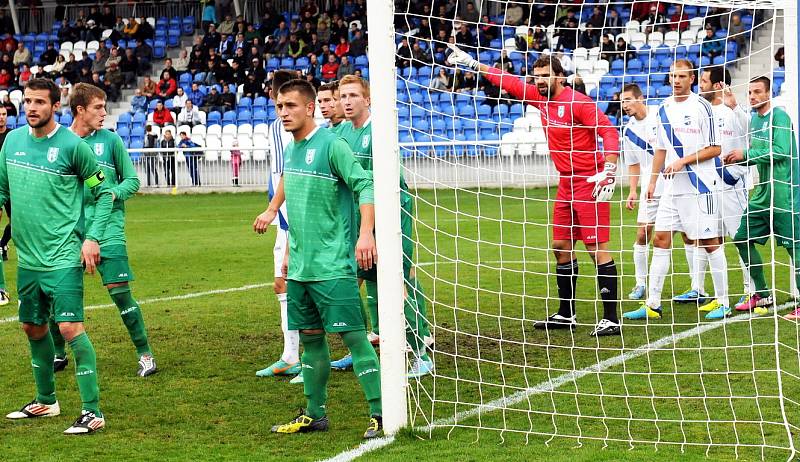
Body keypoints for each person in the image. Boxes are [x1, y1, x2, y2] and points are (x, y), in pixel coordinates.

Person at [447, 46, 622, 336]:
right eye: (536, 76)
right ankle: (567, 314)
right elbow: (508, 81)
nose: (539, 80)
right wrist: (473, 64)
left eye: (545, 76)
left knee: (595, 249)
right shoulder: (540, 100)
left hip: (590, 181)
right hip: (566, 183)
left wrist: (611, 170)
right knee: (561, 248)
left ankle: (611, 319)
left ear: (560, 78)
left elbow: (609, 132)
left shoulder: (580, 103)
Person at [254, 78, 382, 439]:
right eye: (279, 107)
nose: (283, 113)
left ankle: (380, 413)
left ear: (309, 107)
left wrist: (365, 233)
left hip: (333, 266)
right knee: (311, 340)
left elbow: (365, 184)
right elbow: (296, 203)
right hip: (301, 268)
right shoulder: (292, 149)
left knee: (355, 340)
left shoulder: (332, 144)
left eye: (290, 106)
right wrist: (290, 251)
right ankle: (315, 413)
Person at [1, 78, 113, 434]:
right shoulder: (11, 141)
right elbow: (2, 192)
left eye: (40, 102)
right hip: (28, 259)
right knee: (33, 327)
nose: (32, 108)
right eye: (28, 101)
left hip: (63, 255)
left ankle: (92, 411)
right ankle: (47, 402)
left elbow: (105, 192)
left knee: (68, 327)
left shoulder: (73, 146)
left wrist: (92, 237)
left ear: (54, 106)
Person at [333, 75, 432, 377]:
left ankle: (422, 352)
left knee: (397, 283)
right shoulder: (342, 135)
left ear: (368, 99)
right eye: (343, 96)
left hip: (390, 217)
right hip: (360, 219)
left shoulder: (380, 132)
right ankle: (361, 348)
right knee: (348, 284)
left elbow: (382, 184)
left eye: (352, 95)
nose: (346, 101)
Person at [56, 83, 156, 375]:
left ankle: (145, 354)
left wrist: (112, 194)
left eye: (104, 106)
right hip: (69, 231)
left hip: (109, 226)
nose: (104, 113)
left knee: (120, 292)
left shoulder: (110, 141)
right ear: (80, 110)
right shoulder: (60, 143)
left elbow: (132, 181)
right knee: (57, 292)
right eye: (98, 107)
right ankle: (58, 353)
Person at [622, 60, 728, 321]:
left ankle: (722, 301)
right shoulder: (663, 109)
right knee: (660, 238)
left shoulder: (701, 106)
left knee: (708, 242)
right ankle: (653, 303)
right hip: (671, 188)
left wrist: (682, 161)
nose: (676, 80)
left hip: (699, 185)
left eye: (682, 76)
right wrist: (652, 182)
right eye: (673, 76)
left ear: (691, 78)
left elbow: (715, 149)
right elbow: (660, 149)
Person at [725, 76, 800, 318]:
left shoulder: (779, 116)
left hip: (784, 193)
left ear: (769, 93)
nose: (753, 96)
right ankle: (763, 294)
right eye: (750, 92)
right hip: (763, 192)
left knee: (795, 249)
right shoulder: (755, 120)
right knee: (741, 238)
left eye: (757, 91)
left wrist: (745, 153)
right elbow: (757, 153)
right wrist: (739, 157)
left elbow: (781, 150)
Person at [696, 66, 754, 317]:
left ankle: (753, 291)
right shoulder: (704, 111)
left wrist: (735, 107)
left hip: (731, 185)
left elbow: (751, 135)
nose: (700, 85)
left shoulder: (733, 112)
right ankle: (721, 298)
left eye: (704, 81)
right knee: (711, 239)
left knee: (740, 238)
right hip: (709, 185)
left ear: (718, 85)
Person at [254, 70, 300, 380]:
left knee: (300, 286)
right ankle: (290, 356)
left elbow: (290, 176)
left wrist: (274, 211)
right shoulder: (276, 126)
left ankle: (307, 359)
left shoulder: (289, 129)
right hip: (285, 218)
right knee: (282, 284)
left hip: (295, 217)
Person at [621, 84, 661, 302]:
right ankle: (640, 283)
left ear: (640, 98)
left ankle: (697, 288)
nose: (625, 105)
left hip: (674, 181)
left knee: (688, 235)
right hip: (649, 187)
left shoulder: (659, 115)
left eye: (628, 100)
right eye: (622, 102)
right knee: (643, 233)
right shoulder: (628, 131)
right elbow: (633, 164)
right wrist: (632, 191)